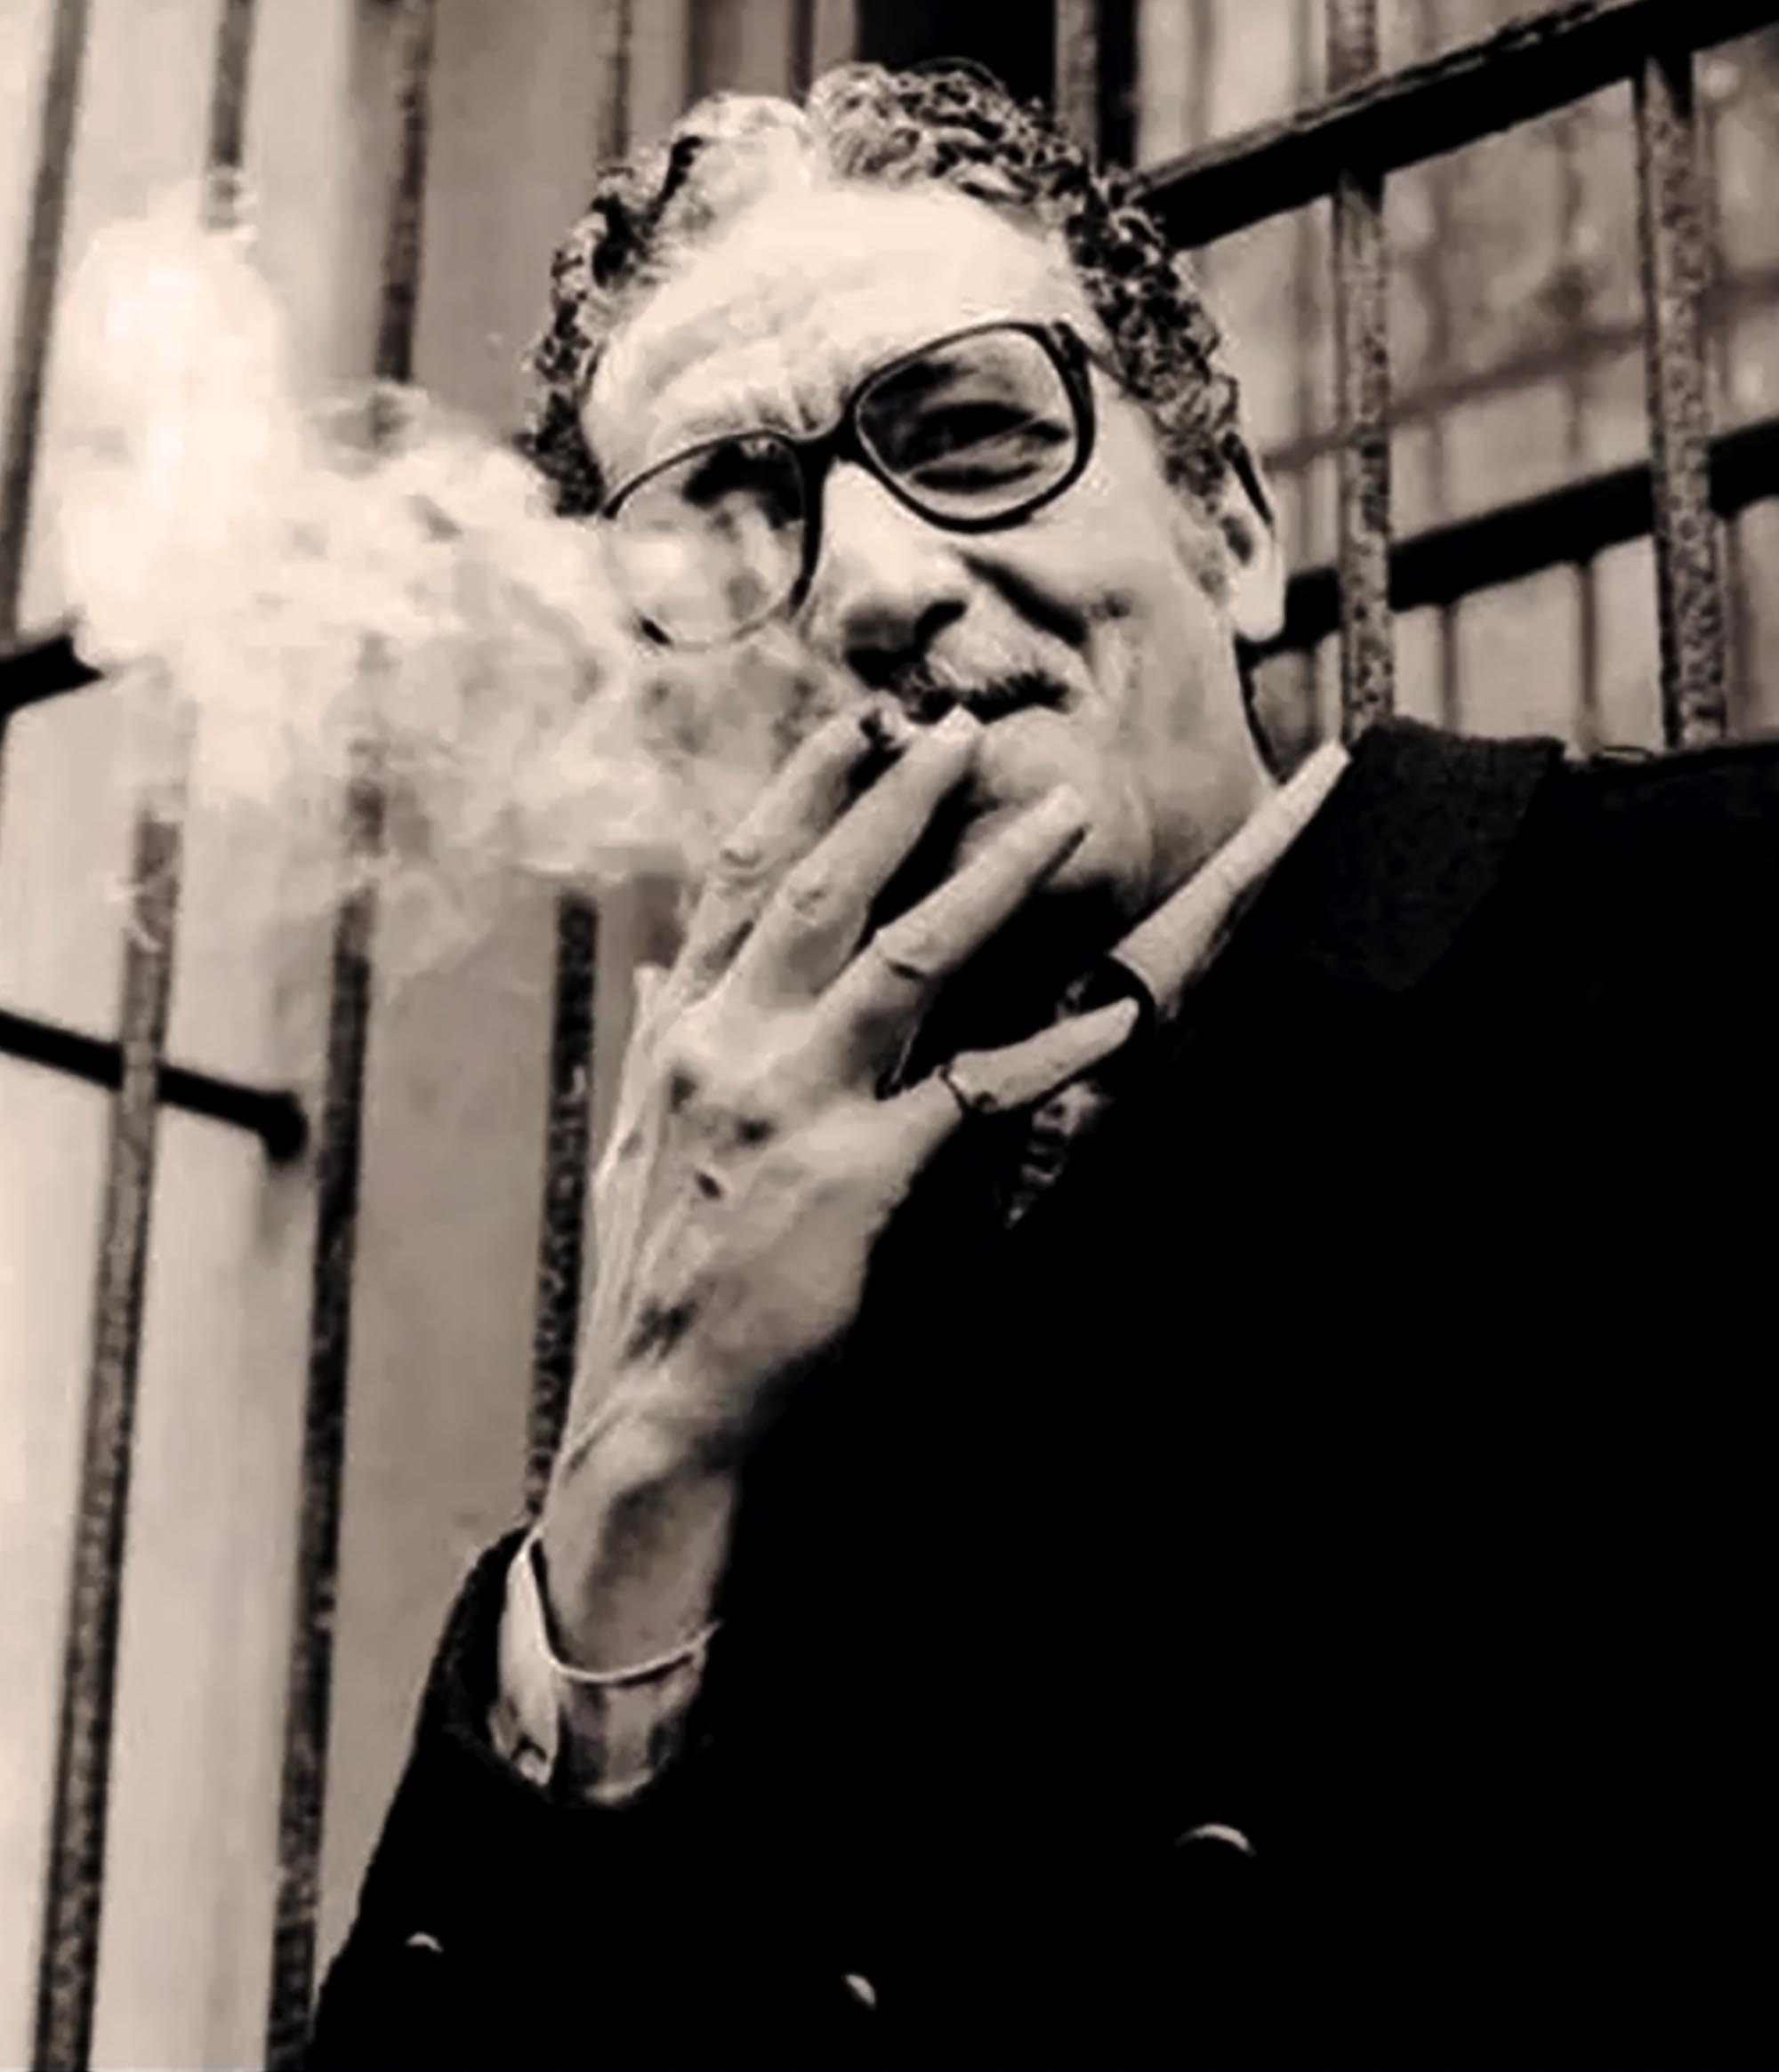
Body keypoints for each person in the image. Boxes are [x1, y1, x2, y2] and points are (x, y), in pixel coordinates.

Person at [309, 61, 1773, 2069]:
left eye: (971, 433)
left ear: (1231, 529)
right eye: (730, 526)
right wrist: (642, 1462)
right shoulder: (750, 1328)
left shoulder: (1715, 932)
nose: (874, 585)